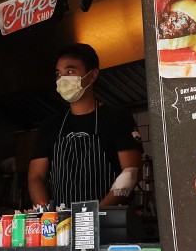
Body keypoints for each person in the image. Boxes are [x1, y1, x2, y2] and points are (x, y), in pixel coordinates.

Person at [28, 43, 142, 208]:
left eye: (70, 72)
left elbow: (131, 173)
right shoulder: (50, 126)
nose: (62, 79)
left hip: (107, 222)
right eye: (58, 74)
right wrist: (47, 214)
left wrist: (95, 215)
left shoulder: (116, 117)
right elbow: (35, 177)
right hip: (61, 226)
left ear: (93, 75)